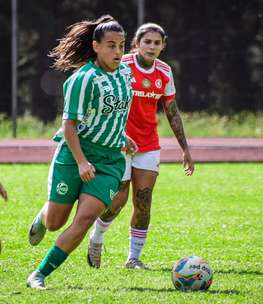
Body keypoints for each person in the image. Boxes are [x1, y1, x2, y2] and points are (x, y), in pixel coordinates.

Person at [26, 15, 134, 289]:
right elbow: (69, 125)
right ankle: (44, 214)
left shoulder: (125, 73)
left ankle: (38, 275)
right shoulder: (82, 80)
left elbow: (115, 113)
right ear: (96, 46)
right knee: (54, 223)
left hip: (110, 161)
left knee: (84, 220)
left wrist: (122, 136)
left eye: (121, 45)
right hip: (75, 155)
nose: (118, 52)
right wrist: (82, 162)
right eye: (111, 45)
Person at [87, 23, 194, 269]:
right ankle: (97, 239)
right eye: (147, 42)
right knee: (118, 199)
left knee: (144, 201)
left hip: (148, 144)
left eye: (157, 43)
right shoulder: (121, 64)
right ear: (137, 44)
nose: (152, 47)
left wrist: (185, 148)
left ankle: (133, 258)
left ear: (163, 46)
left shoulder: (165, 72)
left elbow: (172, 111)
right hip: (118, 143)